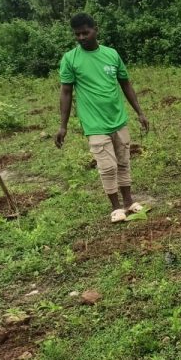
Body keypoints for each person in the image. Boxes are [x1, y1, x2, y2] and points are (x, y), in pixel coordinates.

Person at [55, 12, 150, 223]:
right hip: (94, 123)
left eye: (85, 33)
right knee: (107, 167)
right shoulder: (70, 59)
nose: (81, 37)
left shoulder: (111, 55)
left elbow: (125, 83)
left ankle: (129, 202)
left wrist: (140, 112)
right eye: (77, 34)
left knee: (123, 162)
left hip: (118, 119)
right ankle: (116, 208)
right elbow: (66, 92)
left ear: (95, 30)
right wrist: (63, 126)